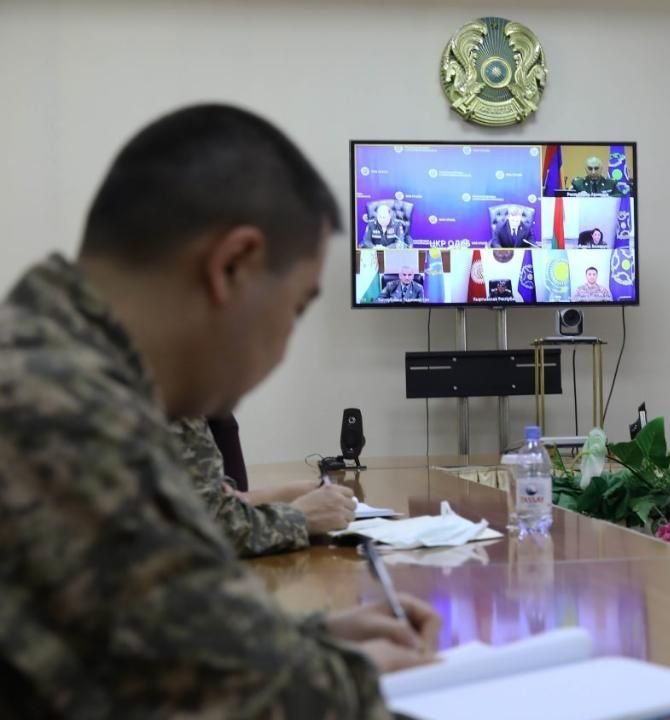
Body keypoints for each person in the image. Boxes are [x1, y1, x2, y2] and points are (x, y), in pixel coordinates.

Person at [0, 104, 440, 718]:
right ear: (232, 266)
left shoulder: (51, 362)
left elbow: (150, 638)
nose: (283, 347)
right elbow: (236, 701)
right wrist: (342, 680)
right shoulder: (65, 415)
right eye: (297, 307)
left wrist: (308, 643)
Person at [170, 416, 356, 558]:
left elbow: (213, 498)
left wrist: (288, 493)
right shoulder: (177, 411)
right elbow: (210, 529)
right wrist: (301, 517)